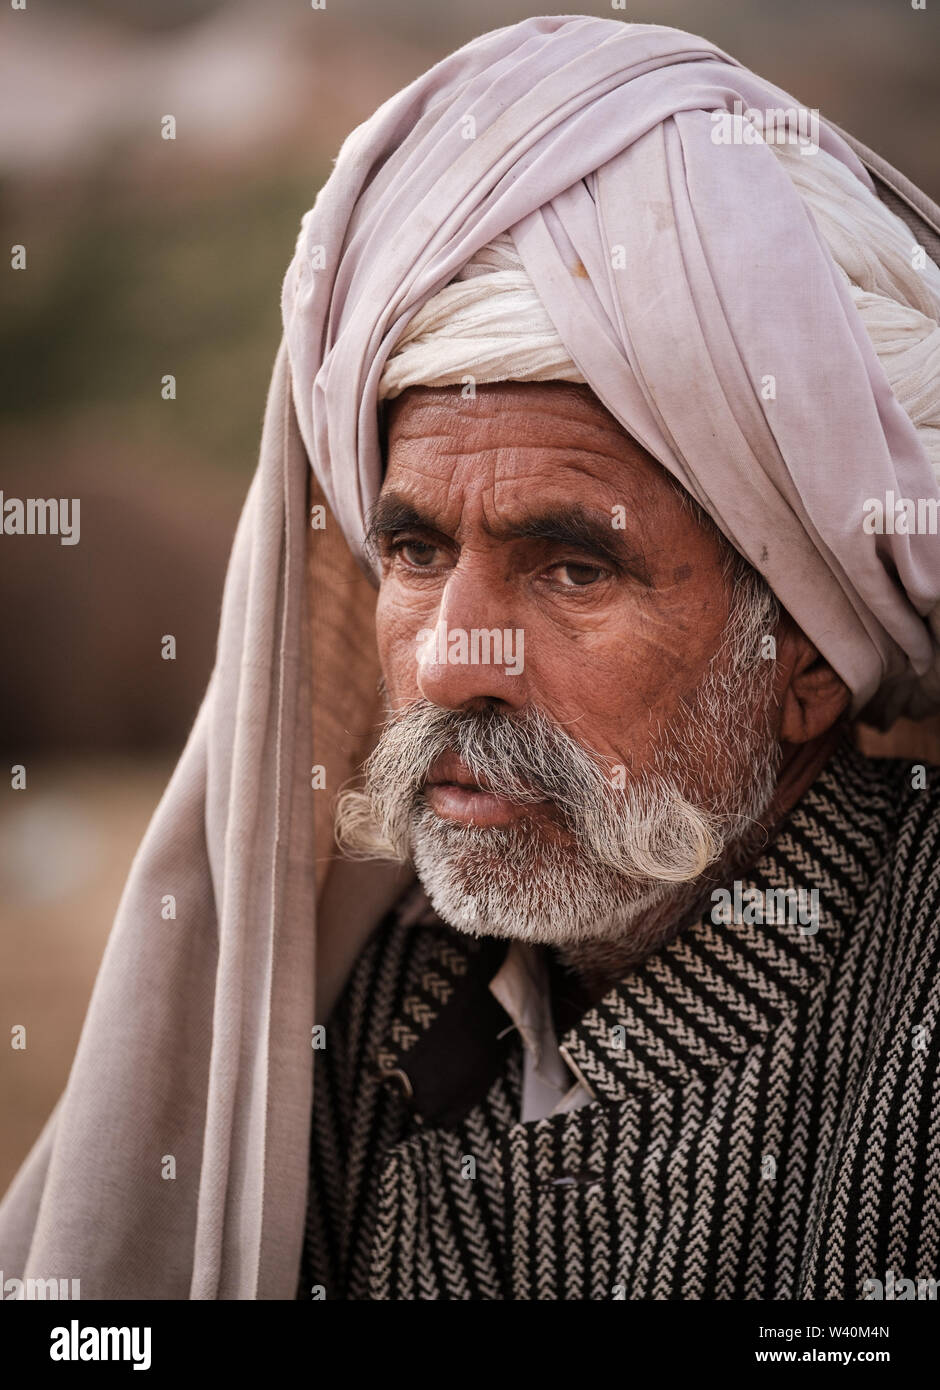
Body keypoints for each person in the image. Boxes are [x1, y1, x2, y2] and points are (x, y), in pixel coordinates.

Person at [2, 15, 939, 1301]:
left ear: (809, 660)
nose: (449, 663)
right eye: (418, 554)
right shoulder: (354, 1006)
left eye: (573, 569)